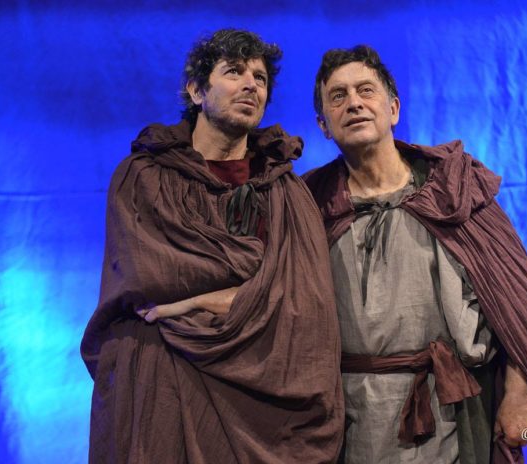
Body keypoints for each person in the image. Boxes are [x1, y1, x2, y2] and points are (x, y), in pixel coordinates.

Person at [80, 29, 343, 463]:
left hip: (260, 404)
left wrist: (196, 301)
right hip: (164, 387)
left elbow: (306, 305)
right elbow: (152, 277)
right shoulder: (143, 177)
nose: (251, 85)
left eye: (260, 78)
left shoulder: (285, 192)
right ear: (196, 90)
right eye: (234, 72)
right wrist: (255, 286)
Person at [304, 45, 527, 464]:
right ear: (324, 126)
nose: (353, 103)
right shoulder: (309, 207)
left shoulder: (453, 192)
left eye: (366, 90)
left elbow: (521, 306)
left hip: (453, 413)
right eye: (338, 96)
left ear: (393, 108)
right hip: (352, 418)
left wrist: (521, 394)